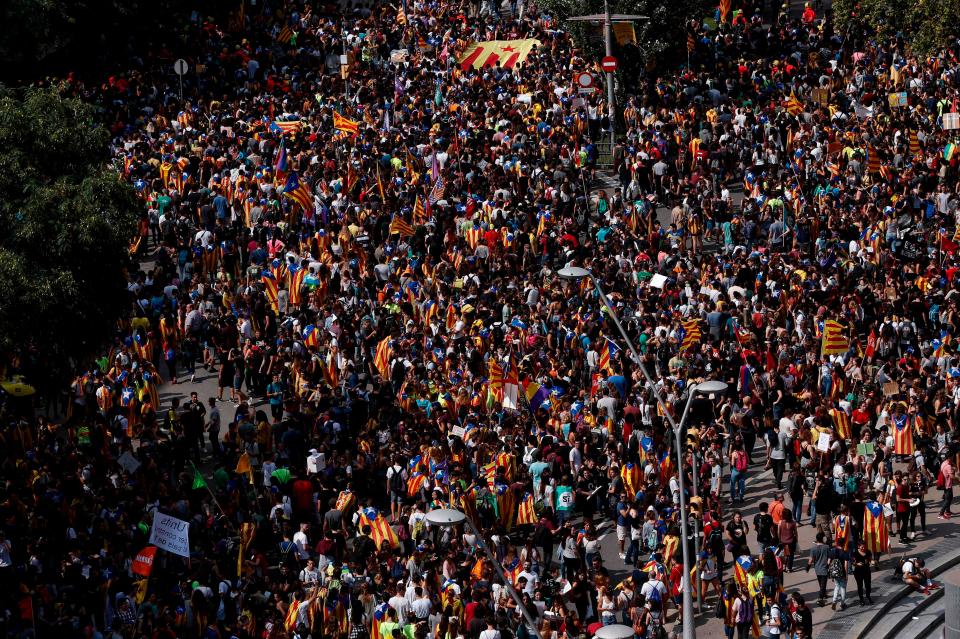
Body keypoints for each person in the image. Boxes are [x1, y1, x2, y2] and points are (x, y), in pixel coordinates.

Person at [806, 532, 831, 606]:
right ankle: (820, 598)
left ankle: (824, 594)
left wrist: (808, 567)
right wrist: (828, 564)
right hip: (824, 568)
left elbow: (811, 560)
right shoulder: (826, 547)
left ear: (817, 539)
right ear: (822, 539)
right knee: (823, 584)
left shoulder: (813, 548)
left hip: (817, 568)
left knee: (821, 582)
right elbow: (829, 557)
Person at [852, 541, 873, 605]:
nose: (863, 548)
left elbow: (870, 559)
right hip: (858, 572)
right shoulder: (855, 553)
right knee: (860, 586)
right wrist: (857, 564)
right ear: (858, 546)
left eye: (864, 547)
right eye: (862, 547)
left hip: (867, 571)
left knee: (868, 585)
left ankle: (868, 596)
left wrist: (872, 561)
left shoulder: (868, 552)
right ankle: (861, 599)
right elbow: (853, 563)